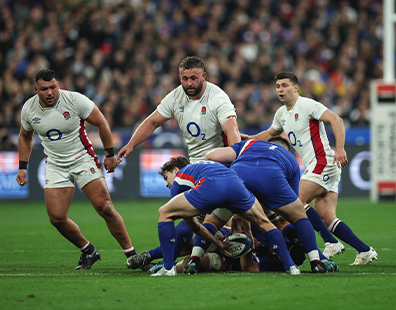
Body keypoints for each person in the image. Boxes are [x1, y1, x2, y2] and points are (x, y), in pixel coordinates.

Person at [242, 72, 377, 265]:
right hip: (318, 166)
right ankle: (364, 250)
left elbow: (336, 120)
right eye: (278, 86)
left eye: (285, 85)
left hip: (323, 161)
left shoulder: (307, 105)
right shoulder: (281, 113)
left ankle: (330, 242)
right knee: (327, 217)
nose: (280, 89)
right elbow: (270, 133)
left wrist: (340, 149)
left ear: (296, 88)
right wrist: (248, 140)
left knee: (294, 202)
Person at [118, 55, 240, 269]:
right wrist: (131, 144)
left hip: (221, 171)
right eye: (185, 79)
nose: (189, 83)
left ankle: (179, 263)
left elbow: (231, 130)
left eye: (193, 78)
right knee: (184, 231)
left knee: (216, 226)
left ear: (204, 76)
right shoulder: (175, 97)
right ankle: (159, 259)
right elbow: (153, 121)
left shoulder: (218, 97)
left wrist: (236, 159)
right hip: (196, 175)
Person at [16, 69, 136, 270]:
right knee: (56, 218)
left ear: (59, 85)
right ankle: (88, 251)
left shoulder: (75, 100)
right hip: (55, 164)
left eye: (53, 87)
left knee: (105, 207)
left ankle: (132, 255)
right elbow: (25, 136)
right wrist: (22, 167)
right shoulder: (29, 109)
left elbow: (101, 123)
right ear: (36, 89)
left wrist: (109, 154)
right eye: (44, 89)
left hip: (82, 159)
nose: (50, 92)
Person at [202, 137, 337, 273]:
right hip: (270, 182)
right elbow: (294, 206)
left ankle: (194, 258)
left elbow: (211, 155)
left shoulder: (249, 144)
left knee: (211, 223)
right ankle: (315, 262)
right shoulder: (289, 158)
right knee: (298, 216)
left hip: (237, 176)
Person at [151, 156, 300, 276]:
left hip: (211, 185)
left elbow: (195, 226)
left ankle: (168, 268)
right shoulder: (206, 166)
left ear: (176, 171)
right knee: (264, 223)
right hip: (236, 183)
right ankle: (291, 267)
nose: (167, 183)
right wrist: (218, 243)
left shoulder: (179, 180)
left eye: (166, 177)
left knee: (164, 212)